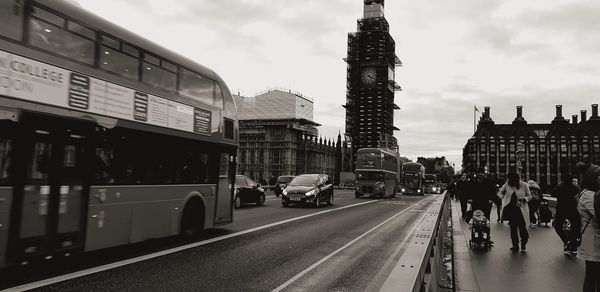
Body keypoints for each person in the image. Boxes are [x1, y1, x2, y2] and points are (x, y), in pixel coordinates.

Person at [576, 163, 600, 292]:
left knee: (592, 274)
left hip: (593, 240)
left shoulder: (590, 194)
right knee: (592, 275)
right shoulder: (589, 195)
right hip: (593, 240)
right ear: (592, 178)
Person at [499, 172, 532, 251]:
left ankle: (523, 242)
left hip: (521, 210)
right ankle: (515, 245)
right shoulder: (507, 184)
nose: (508, 181)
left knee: (522, 228)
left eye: (510, 179)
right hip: (511, 210)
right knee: (513, 228)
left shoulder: (524, 185)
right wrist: (502, 196)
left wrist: (525, 199)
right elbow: (501, 192)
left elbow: (529, 196)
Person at [552, 173, 581, 254]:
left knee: (557, 225)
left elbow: (552, 193)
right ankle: (573, 245)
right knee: (576, 226)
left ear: (563, 180)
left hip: (561, 210)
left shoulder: (560, 187)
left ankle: (566, 240)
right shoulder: (575, 188)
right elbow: (577, 193)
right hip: (572, 209)